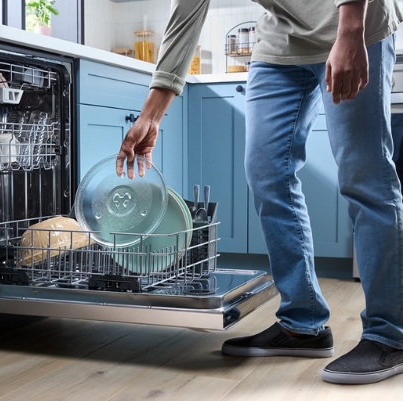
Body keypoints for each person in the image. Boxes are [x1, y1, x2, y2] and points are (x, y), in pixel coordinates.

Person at [116, 0, 403, 384]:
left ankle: (390, 335)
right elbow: (186, 15)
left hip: (352, 21)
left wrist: (352, 30)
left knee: (364, 177)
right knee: (268, 173)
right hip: (281, 40)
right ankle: (303, 324)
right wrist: (150, 116)